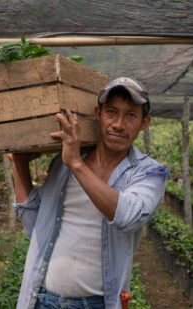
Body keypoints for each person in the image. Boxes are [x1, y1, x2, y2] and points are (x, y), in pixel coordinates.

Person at [9, 77, 169, 309]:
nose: (119, 124)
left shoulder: (151, 172)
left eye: (131, 115)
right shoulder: (63, 163)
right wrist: (19, 164)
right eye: (111, 112)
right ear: (98, 113)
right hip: (43, 300)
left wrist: (76, 164)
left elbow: (129, 217)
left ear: (145, 122)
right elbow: (35, 226)